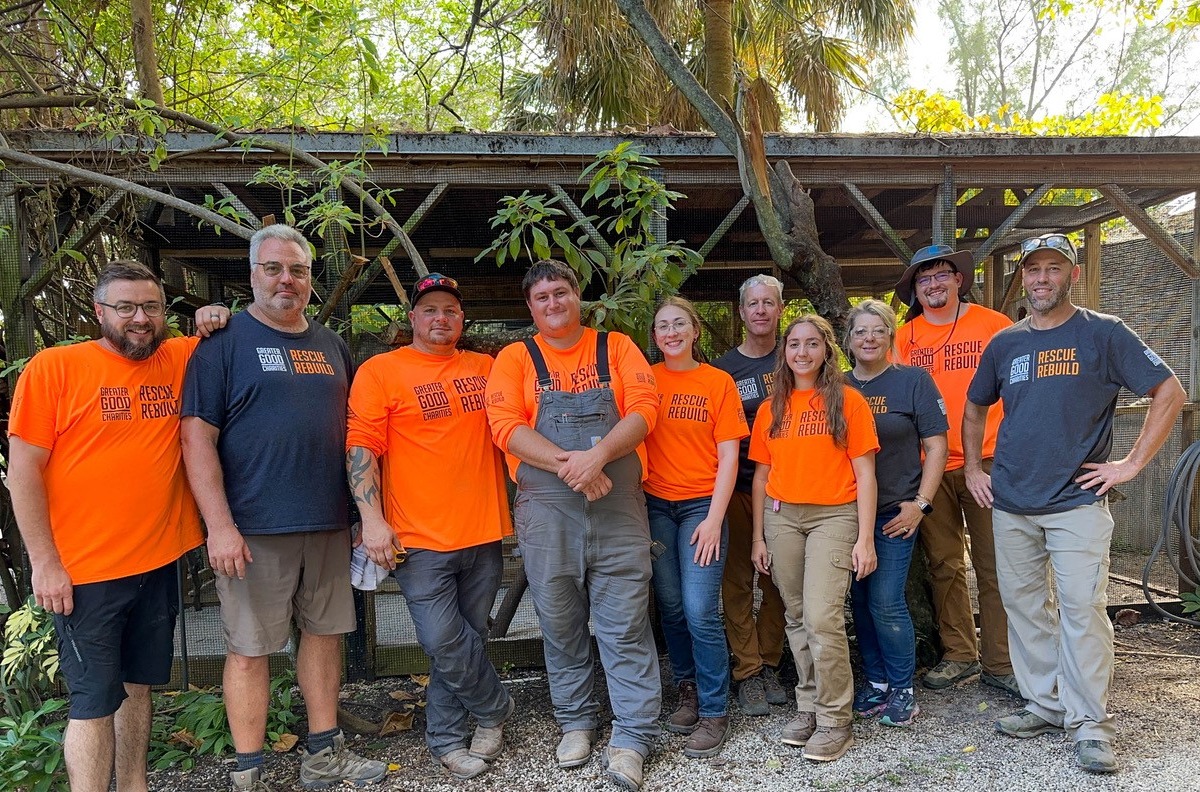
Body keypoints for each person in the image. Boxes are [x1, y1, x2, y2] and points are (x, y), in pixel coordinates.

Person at [963, 233, 1185, 774]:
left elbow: (1170, 391)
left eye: (1053, 269)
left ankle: (1090, 723)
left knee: (1084, 613)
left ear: (1074, 274)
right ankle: (1044, 703)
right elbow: (973, 408)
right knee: (1024, 609)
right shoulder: (1006, 343)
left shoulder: (1104, 334)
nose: (1042, 278)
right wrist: (972, 468)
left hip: (1077, 503)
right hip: (1012, 500)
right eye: (1033, 269)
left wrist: (1130, 464)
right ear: (1024, 277)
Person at [7, 260, 227, 792]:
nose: (140, 318)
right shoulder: (55, 367)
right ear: (99, 311)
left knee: (140, 688)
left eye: (150, 307)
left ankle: (134, 784)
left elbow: (226, 331)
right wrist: (46, 563)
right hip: (84, 572)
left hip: (157, 561)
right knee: (92, 702)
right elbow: (23, 472)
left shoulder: (179, 358)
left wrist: (216, 315)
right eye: (125, 307)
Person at [181, 224, 387, 792]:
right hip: (252, 530)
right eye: (273, 268)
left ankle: (323, 757)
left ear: (310, 280)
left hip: (325, 524)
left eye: (297, 269)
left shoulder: (330, 344)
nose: (286, 279)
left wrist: (356, 517)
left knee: (324, 639)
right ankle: (249, 773)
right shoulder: (221, 344)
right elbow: (196, 440)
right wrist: (219, 527)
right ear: (253, 274)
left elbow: (355, 434)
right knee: (249, 650)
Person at [484, 259, 661, 792]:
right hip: (547, 512)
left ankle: (632, 735)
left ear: (578, 295)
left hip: (619, 509)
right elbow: (505, 427)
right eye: (541, 298)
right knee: (560, 625)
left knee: (625, 624)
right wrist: (574, 466)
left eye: (561, 293)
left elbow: (645, 409)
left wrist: (599, 455)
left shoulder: (617, 348)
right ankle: (577, 723)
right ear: (530, 307)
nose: (553, 304)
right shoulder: (516, 357)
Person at [345, 273, 516, 781]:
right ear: (412, 319)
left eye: (450, 311)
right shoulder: (382, 371)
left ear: (462, 320)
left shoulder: (486, 368)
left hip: (484, 531)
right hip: (416, 538)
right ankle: (494, 709)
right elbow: (361, 447)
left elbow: (518, 424)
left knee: (468, 637)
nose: (440, 318)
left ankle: (446, 737)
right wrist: (371, 520)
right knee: (443, 639)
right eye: (430, 310)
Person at [749, 314, 879, 763]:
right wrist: (757, 538)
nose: (801, 352)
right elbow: (761, 475)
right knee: (796, 615)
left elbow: (865, 473)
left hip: (834, 516)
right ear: (783, 352)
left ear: (826, 350)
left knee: (823, 616)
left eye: (811, 344)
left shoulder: (848, 401)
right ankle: (808, 705)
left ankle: (834, 718)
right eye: (793, 344)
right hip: (782, 516)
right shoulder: (772, 407)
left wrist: (866, 538)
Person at [894, 244, 1017, 695]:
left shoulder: (995, 327)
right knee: (944, 564)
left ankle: (1001, 661)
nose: (933, 285)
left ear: (959, 279)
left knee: (994, 563)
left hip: (987, 463)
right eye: (923, 279)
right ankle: (960, 653)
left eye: (941, 275)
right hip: (930, 467)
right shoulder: (904, 338)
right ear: (916, 289)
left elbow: (1021, 389)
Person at [643, 297, 748, 758]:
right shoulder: (644, 379)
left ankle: (713, 709)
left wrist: (714, 519)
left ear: (695, 331)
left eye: (679, 324)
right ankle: (687, 690)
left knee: (699, 607)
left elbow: (730, 456)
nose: (671, 332)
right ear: (655, 335)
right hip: (654, 506)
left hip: (702, 506)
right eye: (663, 326)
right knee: (669, 605)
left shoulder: (717, 381)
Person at [844, 300, 949, 728]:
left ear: (890, 336)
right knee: (861, 601)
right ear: (847, 341)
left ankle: (904, 689)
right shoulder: (836, 385)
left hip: (895, 513)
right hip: (845, 514)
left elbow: (937, 445)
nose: (869, 338)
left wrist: (921, 504)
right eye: (860, 332)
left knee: (886, 600)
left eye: (877, 331)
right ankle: (877, 683)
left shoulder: (912, 381)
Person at [711, 274, 789, 715]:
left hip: (789, 491)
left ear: (781, 309)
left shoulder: (798, 358)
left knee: (778, 580)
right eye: (752, 303)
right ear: (741, 312)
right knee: (737, 582)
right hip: (739, 488)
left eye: (768, 303)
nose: (760, 310)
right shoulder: (724, 370)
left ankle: (772, 660)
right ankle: (748, 670)